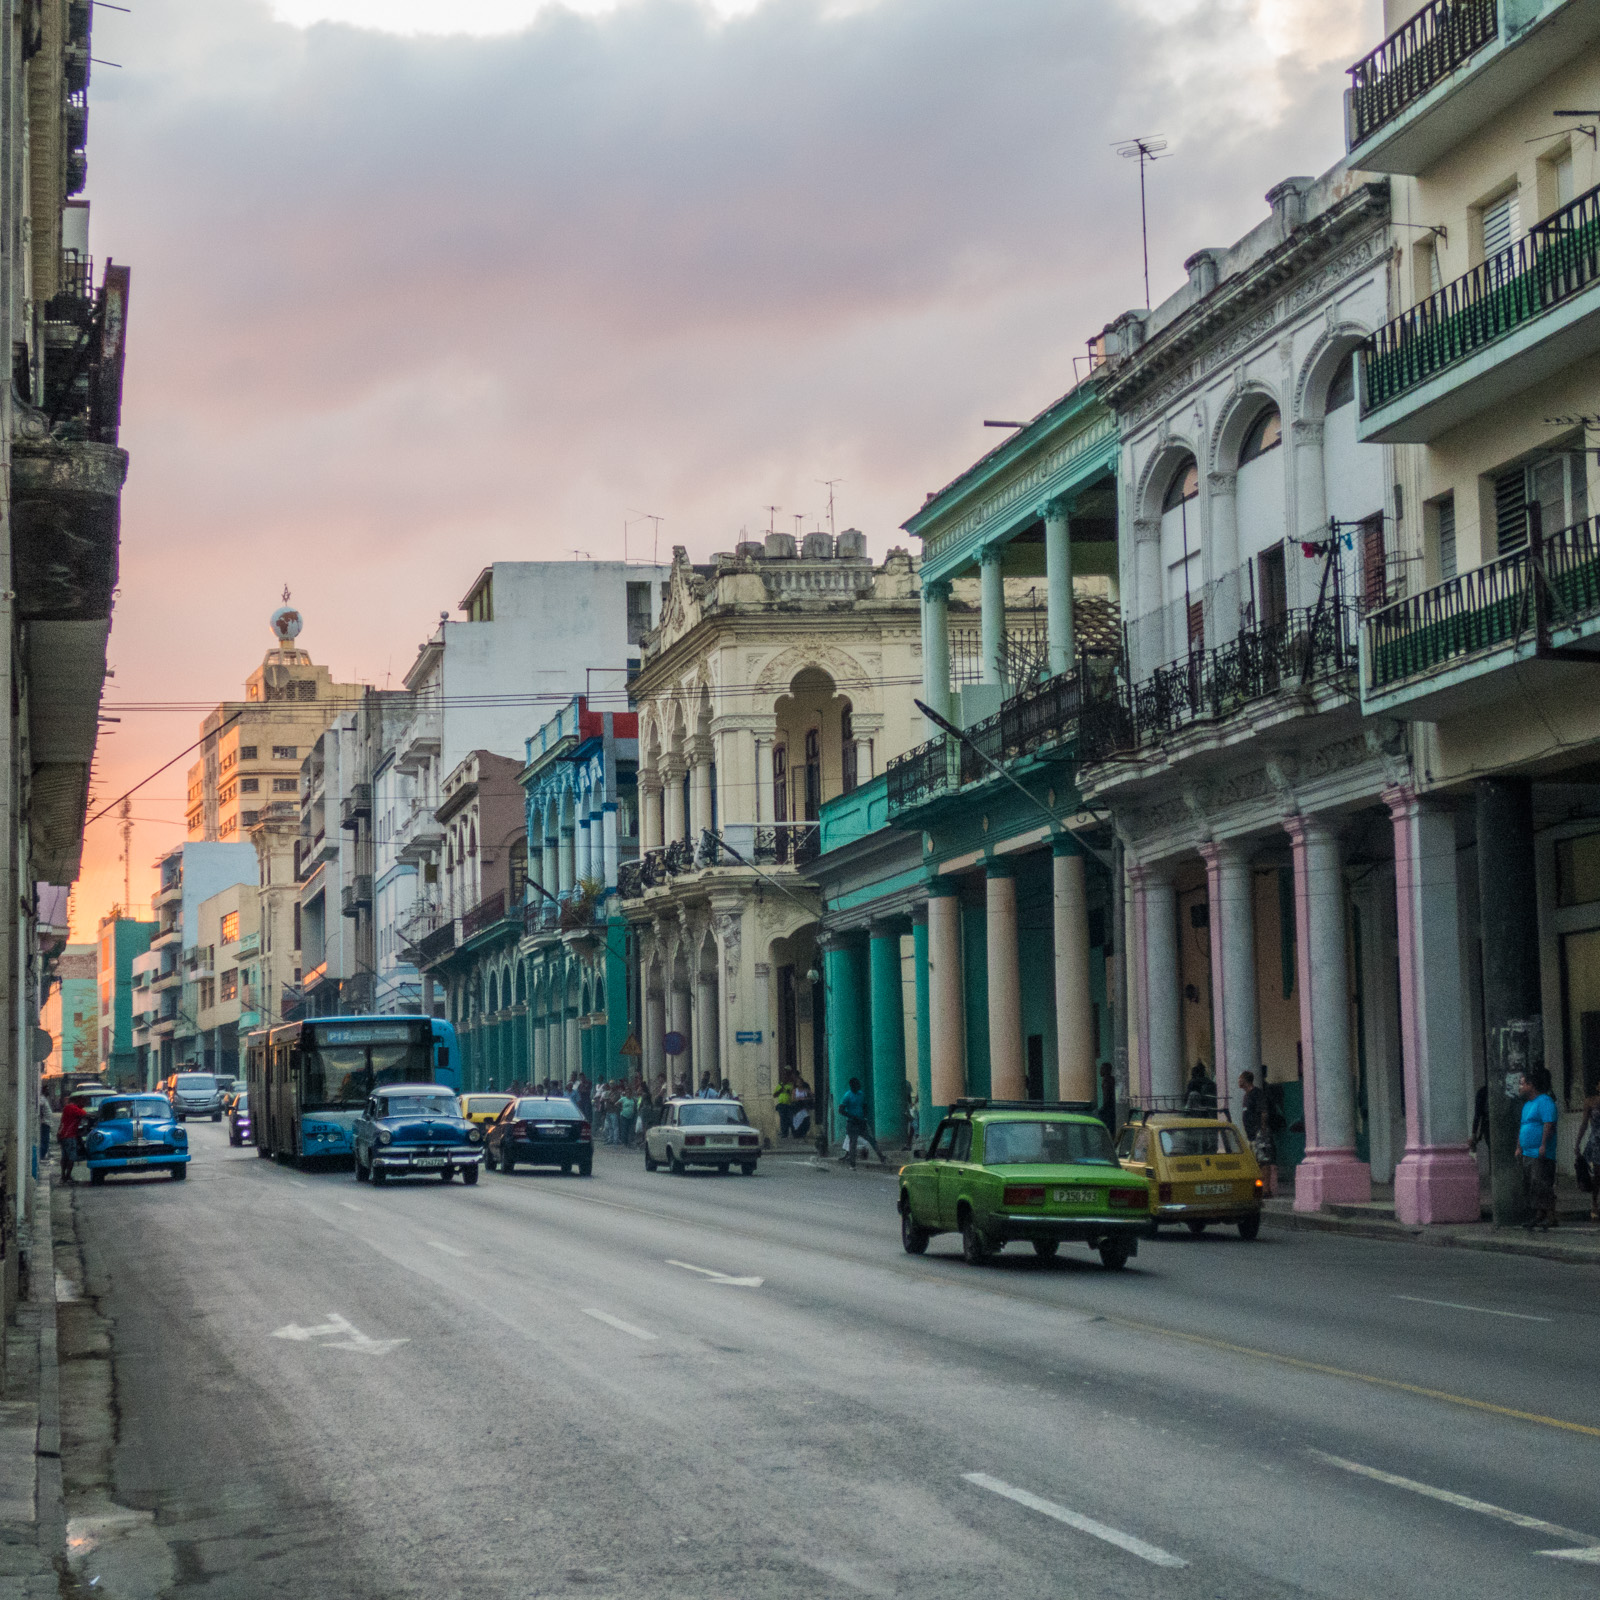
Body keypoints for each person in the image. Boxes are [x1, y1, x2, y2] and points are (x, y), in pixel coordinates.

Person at [1518, 1067, 1560, 1231]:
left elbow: (1548, 1125)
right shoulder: (1527, 1105)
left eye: (1522, 1084)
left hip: (1540, 1152)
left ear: (1531, 1085)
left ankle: (1550, 1215)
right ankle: (1539, 1214)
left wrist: (1543, 1145)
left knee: (1541, 1182)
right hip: (1528, 1152)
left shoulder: (1545, 1101)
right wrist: (1519, 1146)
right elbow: (1523, 1126)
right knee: (1531, 1183)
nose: (1520, 1087)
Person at [837, 1077, 886, 1169]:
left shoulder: (861, 1094)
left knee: (871, 1139)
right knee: (853, 1143)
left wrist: (864, 1116)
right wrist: (852, 1116)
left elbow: (864, 1106)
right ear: (852, 1086)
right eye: (856, 1084)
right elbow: (841, 1110)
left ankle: (881, 1157)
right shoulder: (847, 1096)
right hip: (852, 1122)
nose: (858, 1086)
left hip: (861, 1121)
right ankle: (852, 1164)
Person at [1576, 1088, 1600, 1223]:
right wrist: (1577, 1143)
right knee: (1598, 1174)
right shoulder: (1590, 1102)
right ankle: (1594, 1202)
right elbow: (1584, 1124)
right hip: (1597, 1141)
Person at [57, 1094, 90, 1183]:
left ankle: (64, 1175)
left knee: (65, 1156)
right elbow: (85, 1114)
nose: (84, 1104)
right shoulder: (73, 1108)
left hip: (62, 1135)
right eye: (83, 1102)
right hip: (69, 1136)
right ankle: (67, 1176)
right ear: (78, 1100)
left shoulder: (67, 1108)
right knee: (71, 1157)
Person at [773, 1072, 795, 1139]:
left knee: (790, 1119)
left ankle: (794, 1133)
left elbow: (794, 1093)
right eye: (784, 1078)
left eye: (786, 1078)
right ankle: (784, 1133)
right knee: (783, 1120)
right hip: (781, 1105)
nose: (785, 1079)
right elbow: (774, 1095)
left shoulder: (791, 1085)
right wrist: (780, 1090)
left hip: (789, 1104)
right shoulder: (779, 1085)